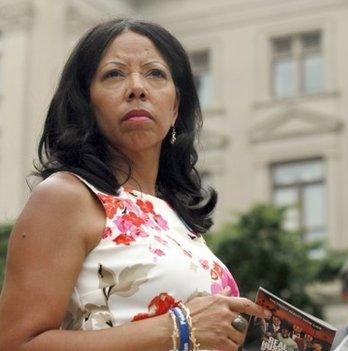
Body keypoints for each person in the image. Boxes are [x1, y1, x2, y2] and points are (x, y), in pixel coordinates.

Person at [0, 18, 270, 351]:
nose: (137, 87)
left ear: (175, 107)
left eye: (155, 73)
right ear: (86, 103)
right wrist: (178, 327)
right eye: (114, 74)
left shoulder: (175, 215)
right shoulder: (66, 196)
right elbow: (16, 344)